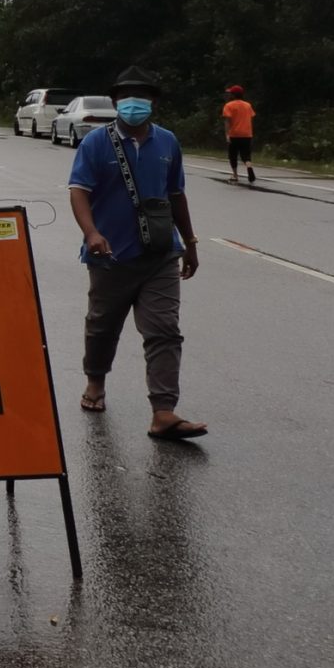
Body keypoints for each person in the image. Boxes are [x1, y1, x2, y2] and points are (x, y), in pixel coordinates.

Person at [67, 66, 207, 440]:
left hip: (160, 254)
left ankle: (164, 411)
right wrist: (92, 232)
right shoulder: (96, 143)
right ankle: (95, 382)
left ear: (154, 103)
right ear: (115, 102)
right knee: (102, 325)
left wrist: (190, 243)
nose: (134, 104)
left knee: (164, 330)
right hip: (110, 255)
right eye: (127, 98)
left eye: (142, 97)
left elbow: (176, 194)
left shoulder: (168, 143)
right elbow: (78, 190)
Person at [220, 85, 257, 184]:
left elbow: (227, 121)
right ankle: (249, 166)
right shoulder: (248, 105)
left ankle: (235, 175)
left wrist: (227, 134)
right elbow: (251, 117)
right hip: (247, 134)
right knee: (246, 155)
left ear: (233, 95)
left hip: (234, 134)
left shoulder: (229, 105)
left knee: (233, 155)